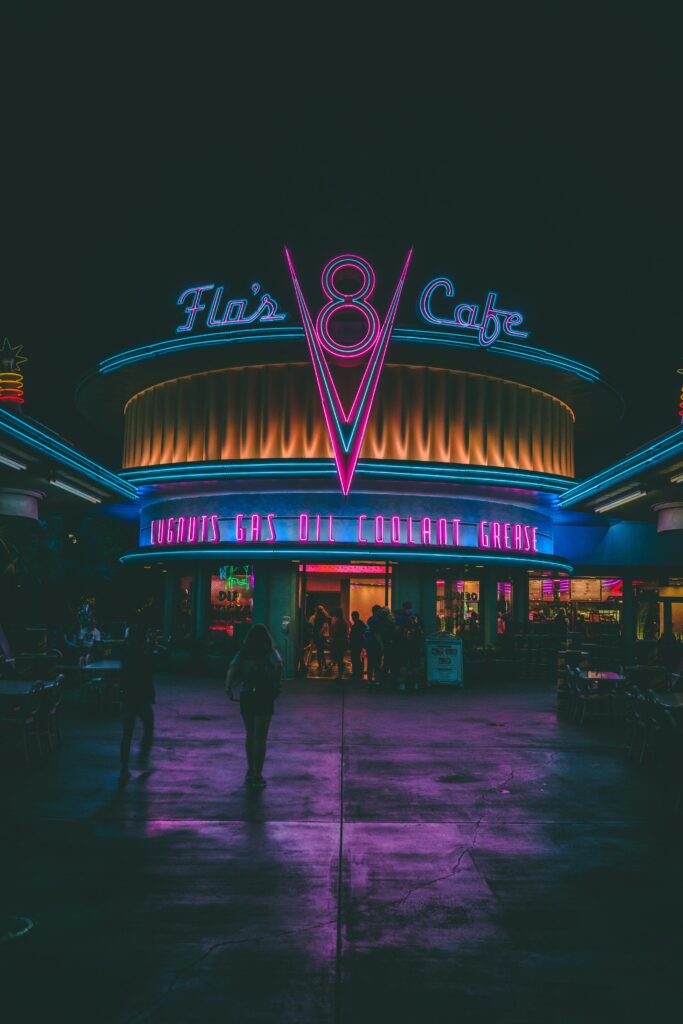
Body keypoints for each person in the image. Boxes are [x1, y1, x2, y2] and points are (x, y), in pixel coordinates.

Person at [226, 623, 282, 788]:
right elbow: (279, 665)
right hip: (264, 694)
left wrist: (228, 687)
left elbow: (232, 667)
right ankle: (258, 774)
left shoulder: (244, 652)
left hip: (247, 694)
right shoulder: (269, 652)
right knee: (260, 737)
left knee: (250, 734)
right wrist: (276, 684)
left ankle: (250, 769)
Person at [119, 621, 155, 782]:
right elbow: (148, 675)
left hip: (127, 696)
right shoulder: (144, 654)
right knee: (148, 726)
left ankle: (124, 768)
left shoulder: (125, 652)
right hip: (142, 697)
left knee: (127, 734)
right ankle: (142, 757)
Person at [396, 601, 425, 690]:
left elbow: (397, 629)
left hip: (404, 644)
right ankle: (415, 684)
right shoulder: (417, 616)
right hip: (415, 644)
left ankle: (402, 685)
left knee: (403, 664)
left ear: (403, 607)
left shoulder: (401, 617)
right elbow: (422, 630)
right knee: (415, 664)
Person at [365, 605, 384, 687]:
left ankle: (369, 681)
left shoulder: (369, 620)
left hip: (369, 644)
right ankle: (377, 681)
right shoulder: (377, 620)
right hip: (375, 645)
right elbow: (377, 634)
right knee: (377, 664)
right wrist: (382, 645)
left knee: (370, 663)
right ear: (377, 611)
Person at [309, 605, 331, 674]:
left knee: (319, 651)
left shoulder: (317, 618)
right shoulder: (324, 617)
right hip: (322, 636)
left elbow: (315, 627)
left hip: (318, 636)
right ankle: (324, 664)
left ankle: (321, 665)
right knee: (321, 651)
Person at [330, 608, 349, 681]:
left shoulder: (338, 623)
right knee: (340, 658)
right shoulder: (344, 622)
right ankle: (340, 675)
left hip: (338, 642)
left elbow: (335, 633)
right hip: (342, 642)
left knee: (339, 659)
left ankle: (340, 675)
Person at [349, 611, 366, 681]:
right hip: (359, 644)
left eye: (352, 616)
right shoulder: (361, 624)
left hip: (355, 644)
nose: (352, 618)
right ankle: (358, 672)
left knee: (355, 658)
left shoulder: (356, 625)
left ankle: (356, 673)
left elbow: (353, 636)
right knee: (357, 658)